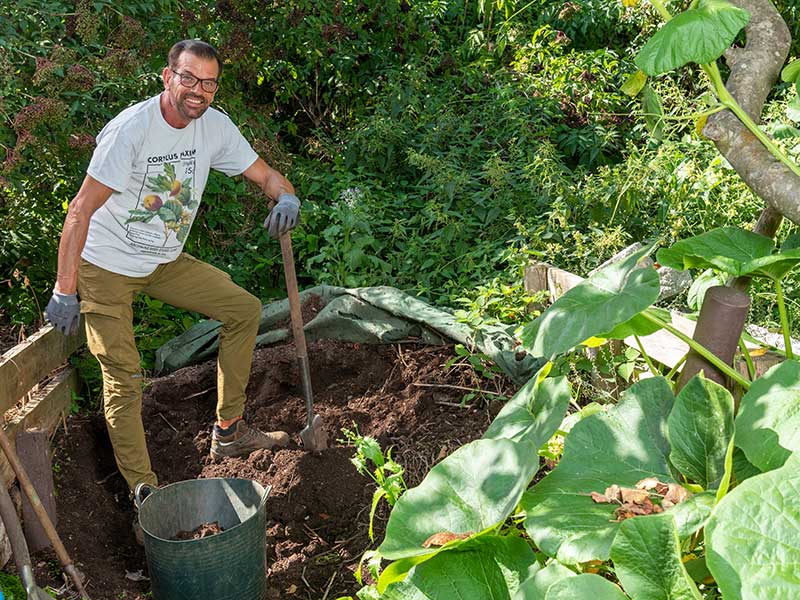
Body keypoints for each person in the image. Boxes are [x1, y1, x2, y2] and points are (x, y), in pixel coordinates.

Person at [44, 40, 300, 494]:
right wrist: (66, 289)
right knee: (124, 377)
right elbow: (80, 210)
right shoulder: (133, 130)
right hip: (105, 267)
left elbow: (265, 175)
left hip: (163, 260)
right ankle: (146, 492)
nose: (197, 90)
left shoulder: (214, 128)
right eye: (188, 78)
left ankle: (230, 431)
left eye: (208, 82)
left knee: (244, 309)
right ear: (168, 77)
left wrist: (286, 196)